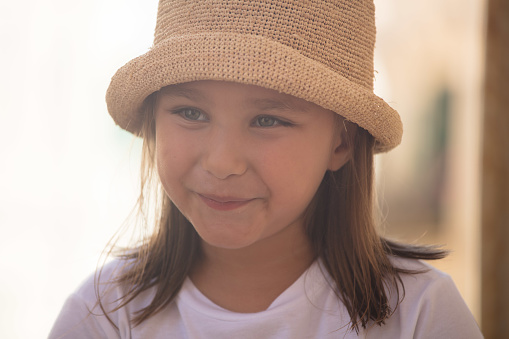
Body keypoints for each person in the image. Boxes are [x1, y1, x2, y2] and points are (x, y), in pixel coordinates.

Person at [49, 0, 483, 338]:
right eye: (189, 112)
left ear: (342, 142)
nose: (222, 162)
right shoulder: (104, 315)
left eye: (268, 120)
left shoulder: (421, 315)